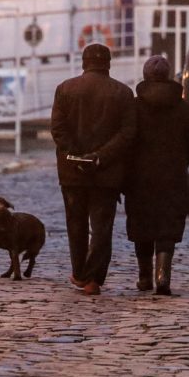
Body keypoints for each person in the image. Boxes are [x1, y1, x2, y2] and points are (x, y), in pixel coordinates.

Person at [50, 43, 135, 296]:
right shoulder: (123, 92)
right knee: (102, 226)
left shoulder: (65, 89)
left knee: (75, 224)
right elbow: (128, 133)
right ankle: (93, 279)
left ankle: (79, 272)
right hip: (106, 172)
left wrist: (75, 155)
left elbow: (58, 128)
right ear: (108, 63)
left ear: (84, 62)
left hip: (71, 171)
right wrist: (100, 157)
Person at [123, 55, 189, 294]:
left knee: (142, 224)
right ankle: (162, 276)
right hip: (172, 175)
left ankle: (144, 277)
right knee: (167, 225)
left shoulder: (134, 106)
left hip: (139, 177)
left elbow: (128, 141)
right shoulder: (183, 108)